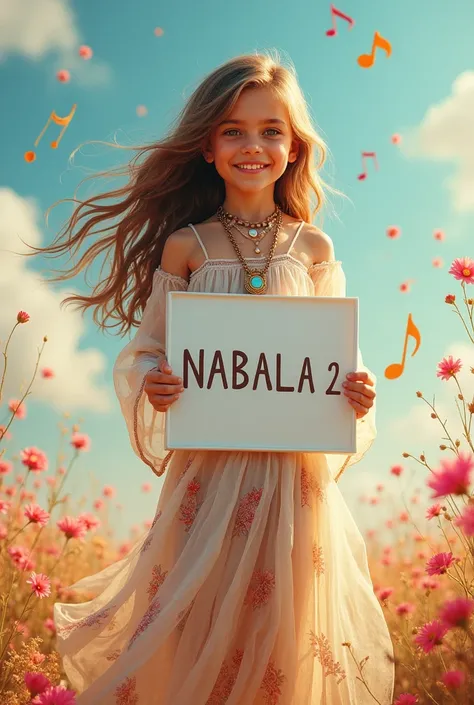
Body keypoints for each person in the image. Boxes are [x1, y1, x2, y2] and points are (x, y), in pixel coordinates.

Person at [31, 52, 394, 704]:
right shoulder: (186, 247)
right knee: (201, 624)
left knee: (284, 633)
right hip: (210, 476)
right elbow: (146, 350)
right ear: (207, 145)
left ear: (294, 146)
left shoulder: (313, 250)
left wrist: (359, 390)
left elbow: (340, 354)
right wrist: (156, 381)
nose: (252, 145)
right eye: (233, 129)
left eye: (270, 130)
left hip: (293, 484)